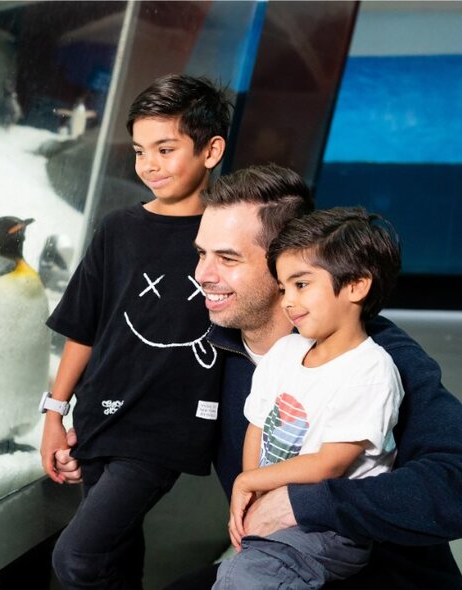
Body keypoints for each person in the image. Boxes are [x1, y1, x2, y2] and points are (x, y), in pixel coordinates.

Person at [55, 164, 462, 588]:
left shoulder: (375, 358)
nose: (203, 275)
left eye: (228, 259)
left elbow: (456, 480)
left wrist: (308, 502)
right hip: (274, 556)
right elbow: (149, 395)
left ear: (283, 264)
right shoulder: (210, 345)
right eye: (201, 253)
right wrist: (92, 429)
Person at [40, 74, 231, 589]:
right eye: (141, 150)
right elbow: (84, 326)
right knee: (114, 556)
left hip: (166, 428)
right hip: (102, 413)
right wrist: (56, 412)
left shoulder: (227, 234)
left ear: (211, 150)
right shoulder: (118, 229)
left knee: (76, 557)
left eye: (165, 149)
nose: (149, 164)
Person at [213, 207, 404, 589]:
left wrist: (248, 482)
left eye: (301, 285)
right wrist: (256, 491)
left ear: (356, 286)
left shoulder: (371, 371)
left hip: (331, 528)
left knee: (243, 577)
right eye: (283, 288)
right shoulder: (284, 352)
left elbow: (329, 464)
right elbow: (257, 428)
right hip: (274, 509)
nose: (287, 300)